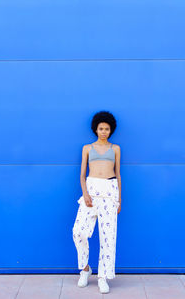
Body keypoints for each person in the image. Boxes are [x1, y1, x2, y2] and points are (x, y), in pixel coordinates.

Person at [72, 111, 122, 294]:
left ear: (111, 130)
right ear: (95, 129)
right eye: (101, 128)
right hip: (91, 192)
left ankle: (102, 276)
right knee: (78, 231)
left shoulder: (115, 148)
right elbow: (82, 174)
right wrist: (85, 193)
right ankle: (85, 269)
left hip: (109, 192)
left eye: (107, 129)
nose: (103, 131)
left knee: (108, 237)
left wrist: (119, 200)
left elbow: (118, 175)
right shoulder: (87, 148)